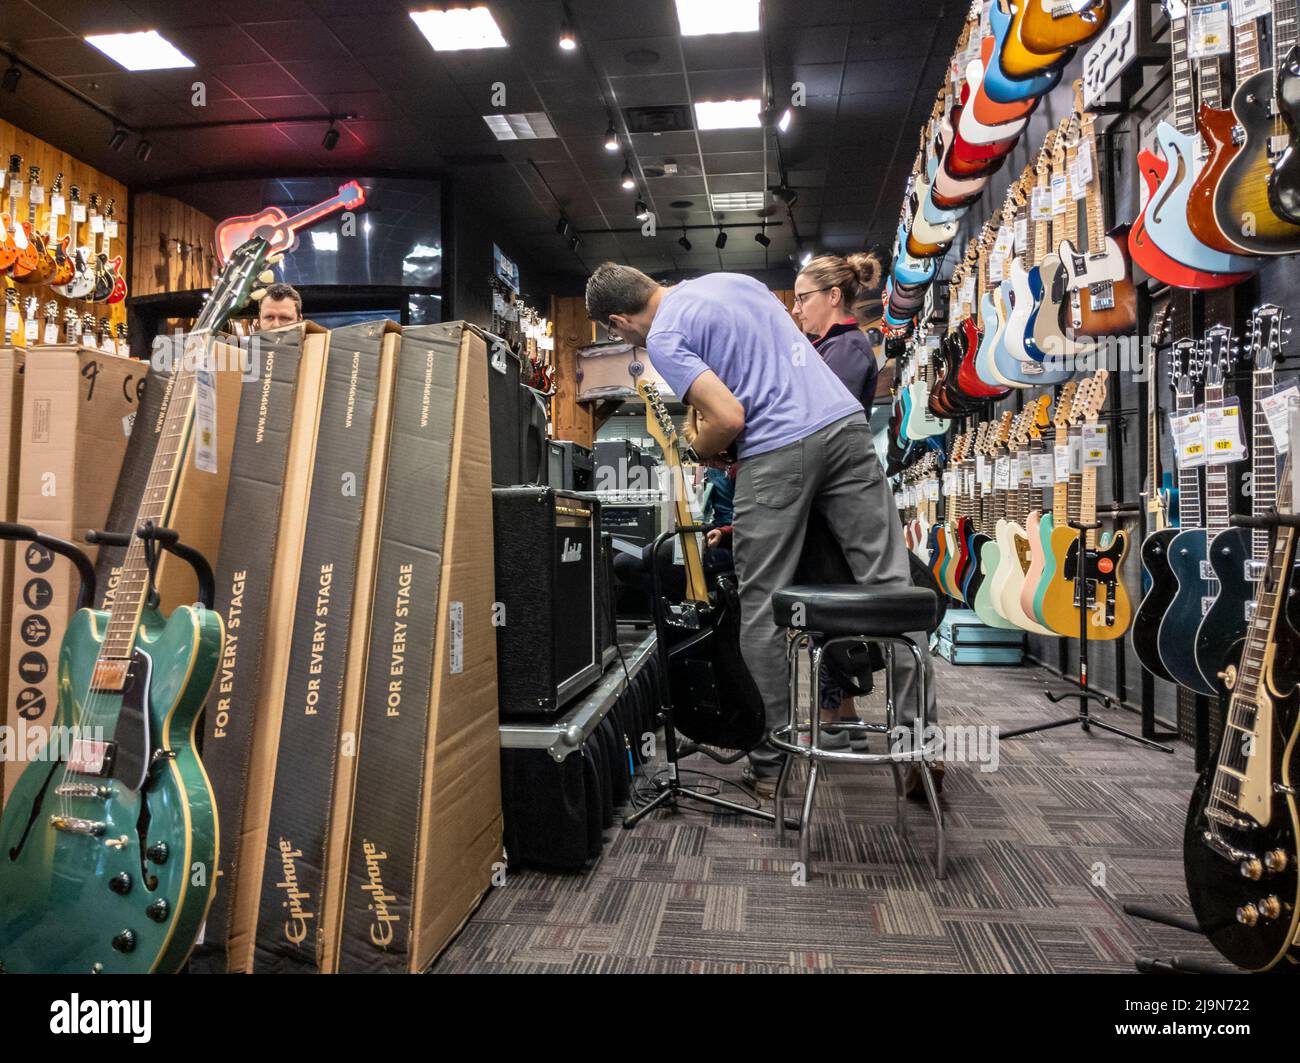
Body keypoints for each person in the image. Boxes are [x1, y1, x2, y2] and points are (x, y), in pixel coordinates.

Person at [585, 263, 938, 799]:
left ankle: (773, 765)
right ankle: (920, 747)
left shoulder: (663, 337)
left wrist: (693, 449)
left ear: (617, 321)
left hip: (777, 448)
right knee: (894, 588)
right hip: (845, 427)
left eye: (618, 333)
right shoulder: (733, 281)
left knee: (763, 607)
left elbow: (728, 418)